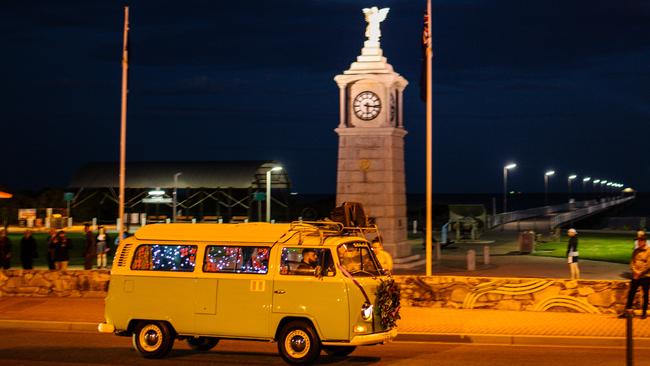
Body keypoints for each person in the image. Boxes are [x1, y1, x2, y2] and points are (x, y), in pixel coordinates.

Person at [620, 232, 650, 319]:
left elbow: (648, 265)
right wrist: (634, 271)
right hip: (635, 276)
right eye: (637, 241)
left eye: (640, 241)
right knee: (631, 294)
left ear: (644, 241)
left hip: (645, 276)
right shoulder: (635, 251)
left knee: (645, 295)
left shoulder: (649, 251)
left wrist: (640, 273)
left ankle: (644, 313)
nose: (638, 242)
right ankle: (627, 311)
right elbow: (632, 262)